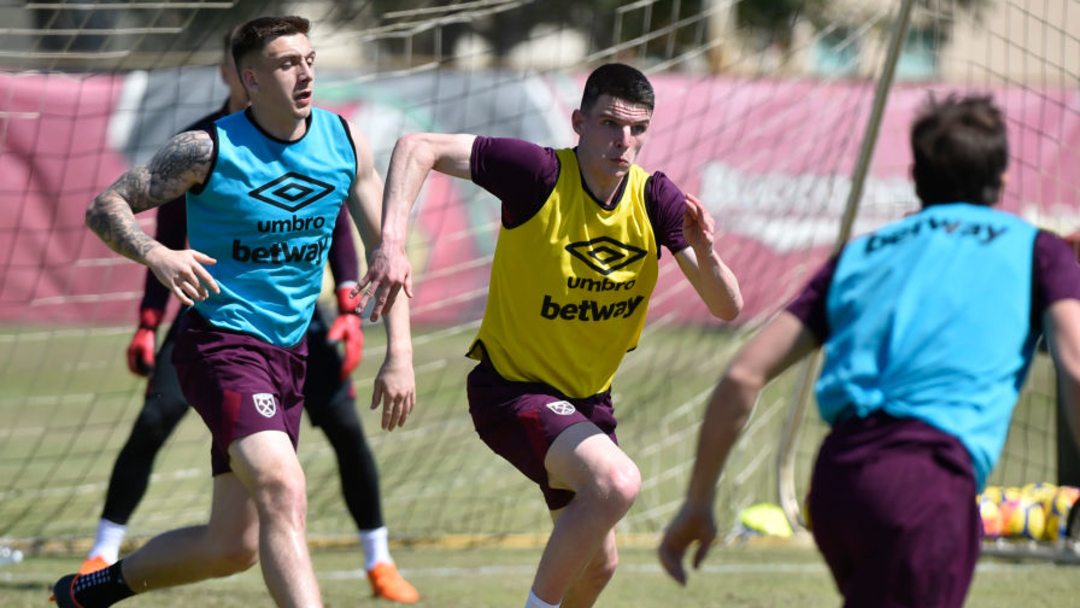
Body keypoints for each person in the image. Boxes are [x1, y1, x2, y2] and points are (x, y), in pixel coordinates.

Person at [658, 94, 1080, 608]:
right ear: (1004, 177)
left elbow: (743, 376)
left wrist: (698, 502)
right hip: (925, 483)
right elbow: (1075, 367)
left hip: (837, 483)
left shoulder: (862, 253)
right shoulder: (1038, 248)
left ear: (915, 175)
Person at [53, 15, 416, 608]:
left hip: (293, 351)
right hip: (221, 343)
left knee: (233, 546)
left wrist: (399, 355)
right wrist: (155, 254)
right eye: (285, 63)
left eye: (309, 59)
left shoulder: (346, 141)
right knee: (282, 486)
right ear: (250, 78)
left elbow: (387, 257)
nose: (304, 72)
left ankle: (91, 591)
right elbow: (105, 206)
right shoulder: (207, 148)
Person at [356, 63, 744, 608]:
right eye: (610, 123)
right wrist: (392, 241)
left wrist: (705, 249)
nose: (624, 141)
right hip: (511, 391)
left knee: (598, 567)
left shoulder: (654, 198)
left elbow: (727, 307)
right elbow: (417, 145)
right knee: (618, 483)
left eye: (637, 130)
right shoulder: (536, 173)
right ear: (579, 122)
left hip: (588, 405)